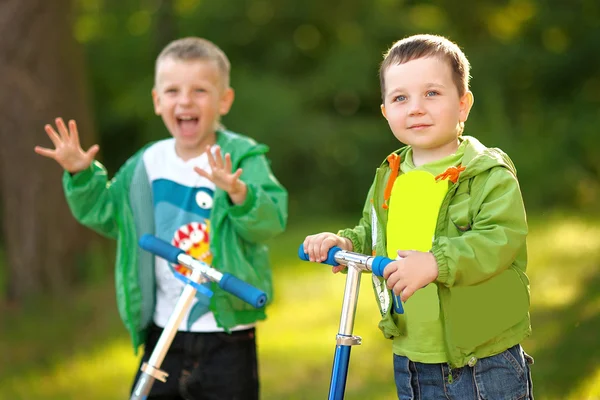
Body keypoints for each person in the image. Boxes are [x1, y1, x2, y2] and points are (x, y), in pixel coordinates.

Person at [35, 36, 287, 400]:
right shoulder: (147, 164)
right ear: (157, 101)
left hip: (226, 334)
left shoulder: (242, 157)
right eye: (172, 91)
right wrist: (82, 176)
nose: (185, 100)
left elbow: (270, 221)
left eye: (200, 90)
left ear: (224, 100)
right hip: (164, 328)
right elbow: (108, 215)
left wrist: (239, 192)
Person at [302, 34, 534, 399]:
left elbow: (498, 240)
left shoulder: (487, 173)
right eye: (400, 98)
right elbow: (373, 229)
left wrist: (436, 263)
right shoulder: (391, 174)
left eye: (432, 94)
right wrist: (345, 242)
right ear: (385, 111)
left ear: (462, 104)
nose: (415, 108)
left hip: (482, 359)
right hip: (412, 356)